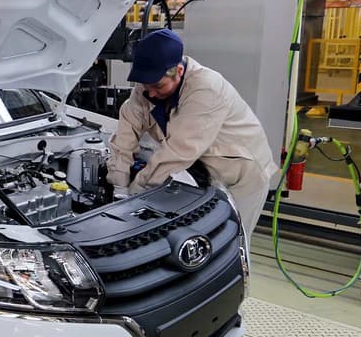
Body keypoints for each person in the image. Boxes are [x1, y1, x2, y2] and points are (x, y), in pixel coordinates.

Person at [106, 29, 278, 242]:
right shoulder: (148, 86)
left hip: (241, 174)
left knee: (229, 244)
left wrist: (133, 196)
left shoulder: (206, 90)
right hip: (201, 172)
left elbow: (176, 153)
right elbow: (125, 136)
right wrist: (118, 187)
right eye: (145, 85)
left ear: (178, 70)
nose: (150, 93)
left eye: (158, 86)